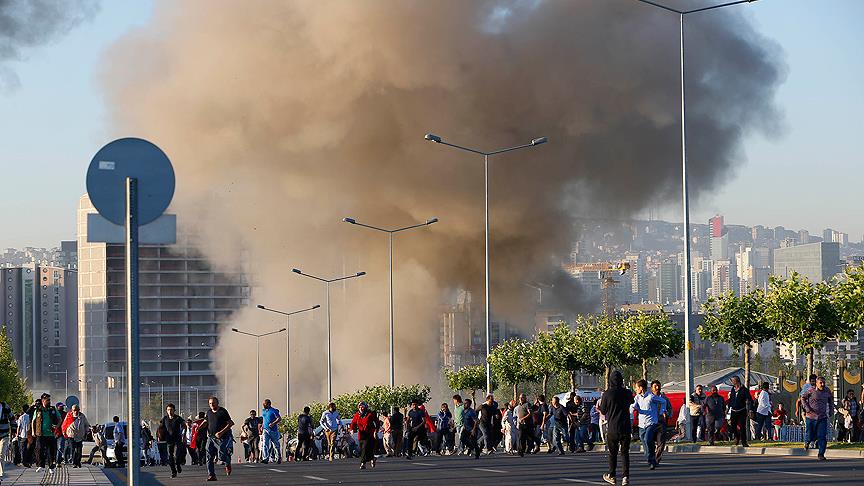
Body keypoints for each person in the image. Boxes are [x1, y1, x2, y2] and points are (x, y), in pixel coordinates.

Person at [600, 370, 633, 486]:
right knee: (625, 453)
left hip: (613, 427)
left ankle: (612, 475)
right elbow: (631, 402)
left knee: (612, 453)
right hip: (625, 426)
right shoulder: (627, 393)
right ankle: (625, 477)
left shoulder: (607, 394)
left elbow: (603, 411)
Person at [630, 379, 664, 470]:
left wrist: (661, 411)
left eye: (637, 388)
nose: (636, 390)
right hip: (641, 423)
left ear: (641, 388)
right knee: (644, 440)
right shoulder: (637, 397)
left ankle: (651, 460)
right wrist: (633, 408)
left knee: (647, 439)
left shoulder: (651, 397)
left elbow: (663, 401)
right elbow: (633, 405)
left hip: (651, 422)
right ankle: (650, 456)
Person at [801, 376, 834, 460]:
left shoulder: (827, 390)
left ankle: (821, 454)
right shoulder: (811, 390)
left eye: (823, 382)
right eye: (820, 383)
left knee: (822, 436)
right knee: (810, 434)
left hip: (822, 417)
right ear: (816, 383)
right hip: (811, 417)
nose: (822, 384)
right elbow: (803, 398)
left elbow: (831, 400)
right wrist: (807, 408)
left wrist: (831, 410)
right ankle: (807, 442)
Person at [203, 396, 234, 481]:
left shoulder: (222, 411)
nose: (212, 405)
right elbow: (206, 422)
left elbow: (231, 423)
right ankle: (211, 475)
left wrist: (221, 432)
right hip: (211, 438)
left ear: (217, 403)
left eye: (213, 403)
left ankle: (227, 462)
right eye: (210, 403)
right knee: (209, 457)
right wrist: (198, 428)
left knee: (222, 457)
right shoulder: (209, 412)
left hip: (222, 438)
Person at [32, 394, 61, 473]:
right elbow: (33, 421)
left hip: (51, 434)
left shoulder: (53, 409)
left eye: (49, 400)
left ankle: (51, 467)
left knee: (51, 451)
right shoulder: (38, 410)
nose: (49, 402)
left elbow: (60, 419)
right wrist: (33, 431)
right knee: (39, 450)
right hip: (40, 433)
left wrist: (57, 426)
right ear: (43, 401)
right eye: (47, 400)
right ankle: (41, 466)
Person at [349, 402, 379, 470]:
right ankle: (373, 458)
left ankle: (363, 463)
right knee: (362, 448)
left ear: (365, 407)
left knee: (364, 448)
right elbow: (353, 423)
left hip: (369, 433)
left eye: (362, 407)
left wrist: (376, 431)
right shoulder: (357, 414)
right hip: (361, 434)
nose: (361, 408)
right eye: (360, 407)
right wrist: (352, 429)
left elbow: (377, 422)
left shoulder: (370, 414)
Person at [160, 403, 185, 477]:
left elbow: (184, 425)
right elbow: (161, 427)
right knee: (170, 456)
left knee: (177, 456)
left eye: (171, 410)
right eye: (168, 410)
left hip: (177, 439)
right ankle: (173, 472)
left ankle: (178, 465)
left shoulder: (178, 418)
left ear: (174, 410)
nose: (170, 411)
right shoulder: (165, 419)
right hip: (169, 440)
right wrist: (160, 434)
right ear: (166, 411)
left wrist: (184, 432)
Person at [62, 404, 90, 469]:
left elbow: (86, 425)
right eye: (74, 410)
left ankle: (78, 462)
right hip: (71, 435)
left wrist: (86, 432)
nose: (76, 411)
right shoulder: (69, 416)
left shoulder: (82, 416)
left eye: (77, 410)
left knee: (79, 450)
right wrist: (64, 432)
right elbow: (64, 424)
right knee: (73, 449)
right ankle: (74, 463)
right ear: (72, 410)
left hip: (80, 436)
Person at [727, 376, 753, 447]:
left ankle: (744, 442)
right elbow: (731, 400)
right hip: (733, 411)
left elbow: (749, 400)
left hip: (742, 410)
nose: (732, 382)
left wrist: (750, 410)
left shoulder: (744, 390)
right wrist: (728, 408)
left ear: (737, 381)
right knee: (733, 426)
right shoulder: (732, 389)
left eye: (733, 381)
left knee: (742, 427)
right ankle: (737, 437)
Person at [653, 382, 672, 463]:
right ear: (652, 388)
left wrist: (667, 414)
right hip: (651, 423)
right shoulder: (649, 398)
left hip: (661, 423)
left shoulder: (665, 398)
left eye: (658, 386)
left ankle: (656, 459)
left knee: (661, 442)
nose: (657, 388)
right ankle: (651, 455)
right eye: (655, 386)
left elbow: (670, 409)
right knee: (649, 441)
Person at [257, 399, 281, 464]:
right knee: (265, 444)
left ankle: (278, 457)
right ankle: (266, 458)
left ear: (268, 404)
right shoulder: (263, 411)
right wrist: (262, 426)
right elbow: (264, 419)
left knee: (275, 444)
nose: (263, 405)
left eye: (264, 404)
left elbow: (279, 418)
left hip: (273, 430)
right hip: (265, 430)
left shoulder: (274, 410)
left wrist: (273, 423)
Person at [0, 400, 10, 478]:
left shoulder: (4, 406)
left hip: (4, 434)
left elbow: (12, 417)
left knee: (1, 454)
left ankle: (0, 474)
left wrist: (14, 429)